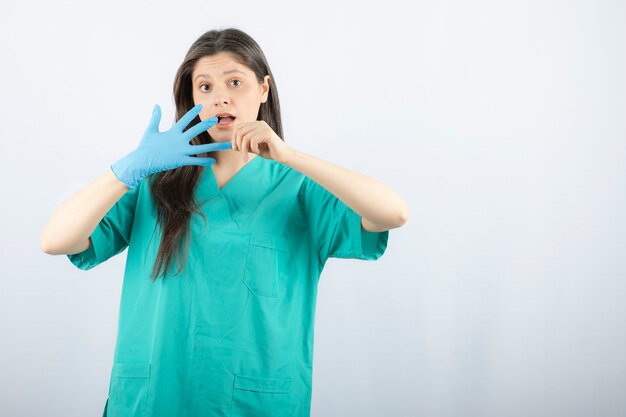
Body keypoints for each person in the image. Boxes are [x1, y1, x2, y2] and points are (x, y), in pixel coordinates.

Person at [40, 28, 408, 417]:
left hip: (255, 402)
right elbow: (55, 240)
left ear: (264, 89)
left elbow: (393, 212)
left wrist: (291, 156)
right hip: (155, 399)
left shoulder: (300, 190)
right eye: (204, 87)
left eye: (235, 82)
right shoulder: (153, 185)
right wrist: (126, 170)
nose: (220, 97)